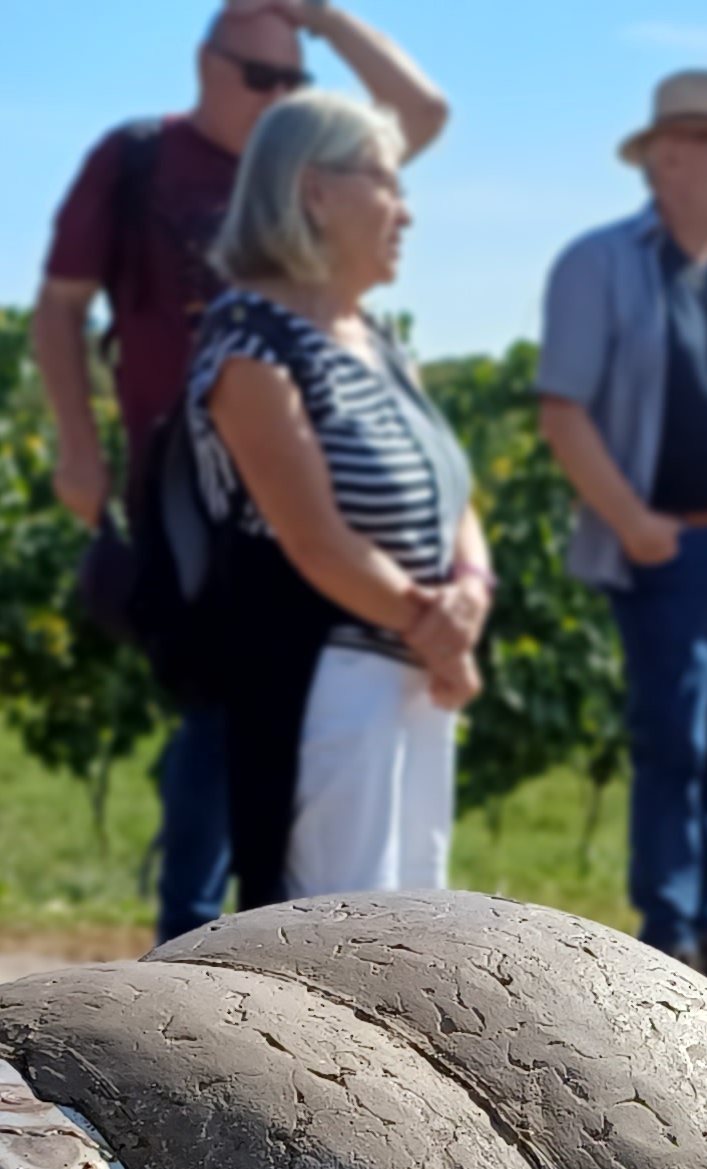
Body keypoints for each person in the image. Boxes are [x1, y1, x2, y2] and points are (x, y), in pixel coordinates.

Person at [35, 1, 451, 946]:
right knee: (219, 699)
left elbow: (421, 114)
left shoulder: (313, 158)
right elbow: (60, 308)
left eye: (291, 81)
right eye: (259, 76)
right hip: (187, 488)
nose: (277, 95)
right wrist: (78, 446)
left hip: (308, 479)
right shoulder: (137, 160)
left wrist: (325, 18)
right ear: (208, 64)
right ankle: (191, 937)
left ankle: (236, 938)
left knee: (277, 709)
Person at [537, 72, 707, 1002]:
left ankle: (702, 924)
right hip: (668, 549)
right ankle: (666, 934)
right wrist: (634, 524)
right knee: (673, 741)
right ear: (668, 157)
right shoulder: (602, 264)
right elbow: (563, 410)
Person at [185, 93, 491, 905]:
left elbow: (453, 490)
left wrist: (470, 592)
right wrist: (438, 631)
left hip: (415, 676)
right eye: (386, 184)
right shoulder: (251, 342)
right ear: (314, 191)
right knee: (334, 936)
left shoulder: (380, 340)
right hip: (330, 683)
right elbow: (314, 538)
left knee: (418, 927)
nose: (407, 213)